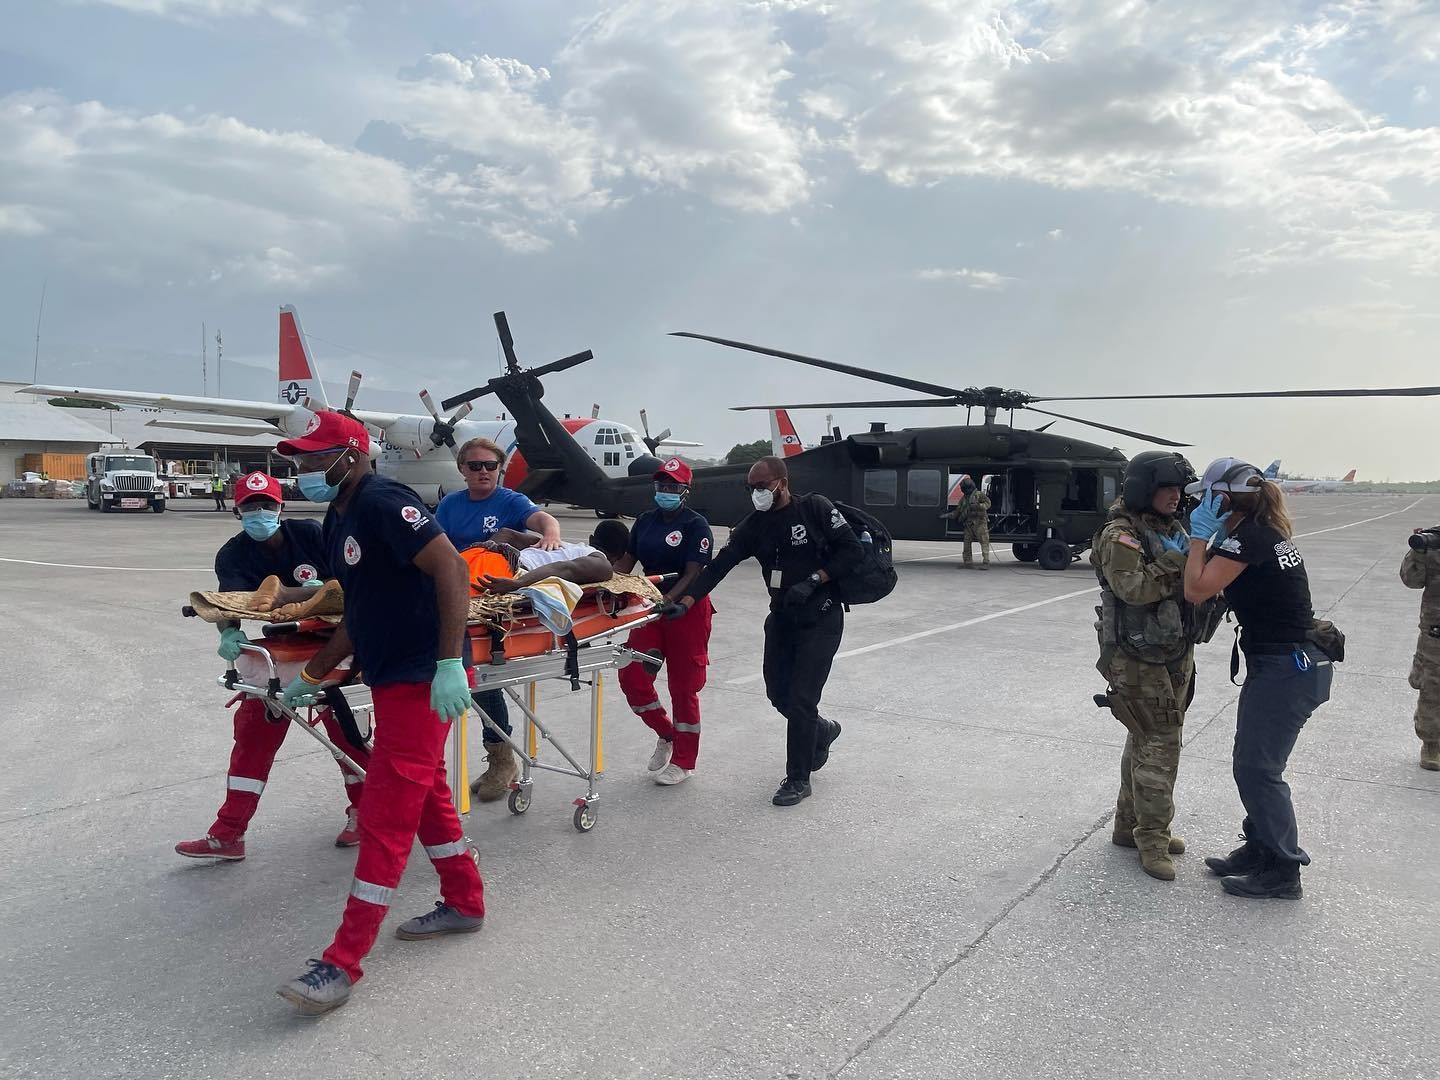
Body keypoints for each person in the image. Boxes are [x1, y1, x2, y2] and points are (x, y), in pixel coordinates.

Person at [272, 411, 485, 1015]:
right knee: (428, 795)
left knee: (386, 813)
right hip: (393, 677)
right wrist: (313, 674)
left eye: (316, 458)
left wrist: (449, 663)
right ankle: (465, 902)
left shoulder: (385, 502)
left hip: (424, 676)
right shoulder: (338, 516)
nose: (305, 469)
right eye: (300, 460)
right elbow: (360, 612)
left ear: (352, 454)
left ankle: (342, 963)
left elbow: (453, 568)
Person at [176, 471, 369, 861]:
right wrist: (229, 632)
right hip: (283, 650)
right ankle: (229, 833)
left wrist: (317, 593)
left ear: (280, 507)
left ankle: (367, 813)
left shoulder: (310, 534)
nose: (260, 513)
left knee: (348, 739)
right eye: (251, 507)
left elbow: (354, 583)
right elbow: (230, 604)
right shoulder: (233, 555)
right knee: (252, 738)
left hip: (337, 645)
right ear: (237, 512)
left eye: (267, 505)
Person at [668, 456, 863, 806]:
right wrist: (685, 602)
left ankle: (798, 779)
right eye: (750, 488)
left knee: (802, 699)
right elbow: (718, 567)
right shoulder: (754, 526)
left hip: (821, 617)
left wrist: (815, 579)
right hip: (783, 619)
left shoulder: (814, 509)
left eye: (761, 486)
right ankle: (822, 730)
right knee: (778, 694)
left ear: (782, 483)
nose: (756, 493)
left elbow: (852, 551)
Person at [1183, 457, 1333, 900]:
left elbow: (1196, 589)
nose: (1202, 505)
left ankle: (1284, 869)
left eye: (1207, 498)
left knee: (1259, 769)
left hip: (1288, 667)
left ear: (1224, 500)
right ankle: (1261, 847)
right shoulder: (1260, 532)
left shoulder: (1249, 538)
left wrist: (1198, 537)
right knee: (1251, 762)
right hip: (1282, 663)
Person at [435, 437, 564, 800]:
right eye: (475, 466)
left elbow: (542, 519)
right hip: (456, 590)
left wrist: (551, 536)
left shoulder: (509, 501)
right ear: (462, 469)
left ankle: (502, 759)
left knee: (483, 682)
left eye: (490, 466)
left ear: (500, 470)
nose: (483, 472)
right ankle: (496, 759)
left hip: (492, 600)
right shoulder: (450, 505)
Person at [1090, 451, 1198, 882]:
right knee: (1160, 744)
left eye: (1179, 489)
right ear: (1143, 489)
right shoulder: (1120, 535)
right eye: (1167, 488)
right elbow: (1133, 589)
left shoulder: (1170, 528)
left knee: (1145, 738)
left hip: (1170, 649)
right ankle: (1152, 838)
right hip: (1136, 656)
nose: (1176, 497)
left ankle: (1127, 826)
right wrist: (1178, 563)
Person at [611, 459, 715, 786]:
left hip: (686, 609)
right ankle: (667, 733)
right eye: (661, 486)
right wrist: (603, 582)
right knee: (632, 676)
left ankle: (684, 761)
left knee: (683, 687)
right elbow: (626, 564)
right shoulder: (645, 521)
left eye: (672, 486)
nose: (665, 491)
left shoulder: (696, 525)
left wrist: (670, 600)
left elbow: (693, 573)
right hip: (650, 606)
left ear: (685, 491)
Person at [1400, 535, 1440, 771]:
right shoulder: (1434, 543)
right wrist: (1418, 553)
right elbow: (1411, 580)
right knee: (1433, 691)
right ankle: (1432, 744)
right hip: (1436, 634)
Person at [945, 476, 992, 568]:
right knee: (966, 544)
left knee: (984, 542)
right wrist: (946, 515)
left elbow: (988, 503)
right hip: (969, 524)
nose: (962, 490)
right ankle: (968, 562)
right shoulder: (963, 499)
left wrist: (978, 506)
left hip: (980, 523)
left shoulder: (979, 495)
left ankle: (986, 562)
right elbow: (957, 511)